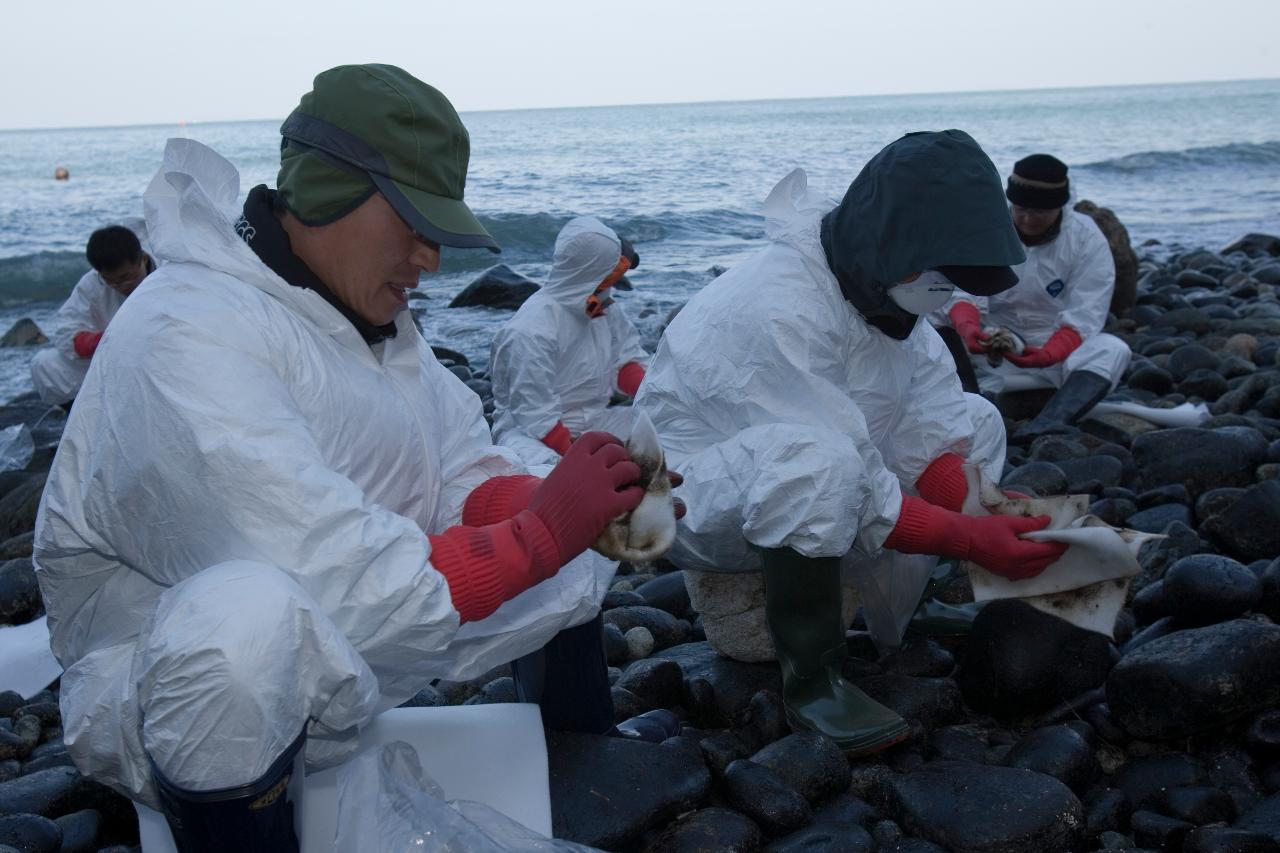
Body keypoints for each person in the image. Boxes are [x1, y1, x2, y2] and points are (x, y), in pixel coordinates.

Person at [34, 65, 665, 853]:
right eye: (414, 225)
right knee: (241, 633)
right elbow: (319, 574)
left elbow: (457, 461)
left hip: (360, 635)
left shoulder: (363, 322)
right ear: (331, 192)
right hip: (166, 692)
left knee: (564, 516)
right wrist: (534, 536)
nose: (430, 259)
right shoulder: (186, 330)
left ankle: (580, 761)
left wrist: (556, 505)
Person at [636, 131, 1067, 757]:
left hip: (797, 463)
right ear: (895, 247)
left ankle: (899, 614)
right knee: (818, 464)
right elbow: (847, 476)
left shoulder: (885, 302)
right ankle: (811, 680)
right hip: (687, 498)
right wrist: (965, 538)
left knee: (977, 420)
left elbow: (929, 431)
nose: (950, 293)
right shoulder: (782, 307)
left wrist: (986, 507)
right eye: (945, 276)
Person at [941, 154, 1131, 441]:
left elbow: (1087, 310)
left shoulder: (1085, 237)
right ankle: (969, 404)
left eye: (1040, 212)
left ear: (1060, 206)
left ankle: (1048, 423)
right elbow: (963, 288)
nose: (1028, 219)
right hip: (989, 346)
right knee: (931, 322)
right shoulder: (987, 227)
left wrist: (1049, 353)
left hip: (1054, 350)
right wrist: (968, 329)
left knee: (1113, 349)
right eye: (1021, 209)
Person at [489, 216, 649, 467]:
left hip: (595, 420)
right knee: (547, 475)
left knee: (667, 431)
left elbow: (625, 362)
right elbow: (535, 414)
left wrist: (657, 393)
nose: (618, 276)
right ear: (595, 270)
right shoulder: (532, 329)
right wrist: (581, 458)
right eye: (612, 267)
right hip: (531, 434)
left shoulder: (601, 307)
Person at [30, 223, 154, 405]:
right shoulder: (92, 284)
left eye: (127, 277)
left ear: (143, 259)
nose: (122, 286)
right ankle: (81, 416)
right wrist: (101, 341)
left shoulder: (168, 272)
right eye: (111, 281)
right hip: (114, 359)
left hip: (158, 358)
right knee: (44, 365)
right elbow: (66, 333)